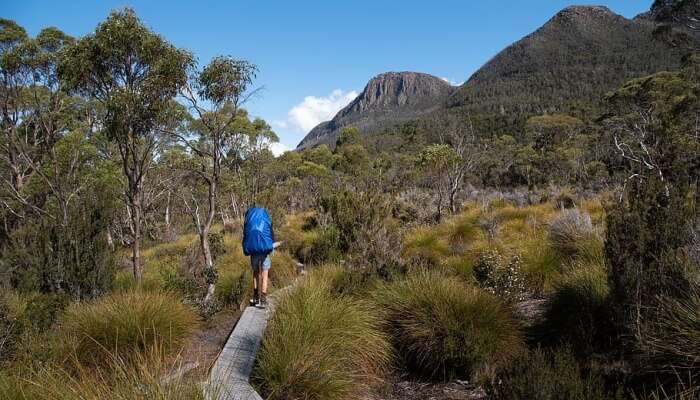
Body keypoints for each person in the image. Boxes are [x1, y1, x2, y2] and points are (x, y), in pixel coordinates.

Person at [242, 206, 275, 308]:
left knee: (255, 272)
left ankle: (256, 296)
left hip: (253, 252)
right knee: (265, 274)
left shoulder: (250, 220)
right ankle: (263, 298)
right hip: (264, 251)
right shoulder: (265, 219)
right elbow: (271, 234)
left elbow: (245, 235)